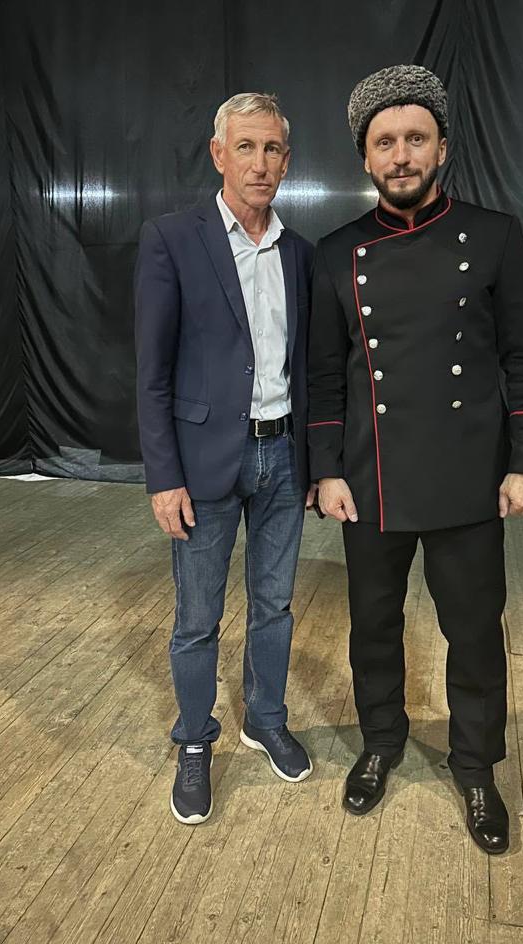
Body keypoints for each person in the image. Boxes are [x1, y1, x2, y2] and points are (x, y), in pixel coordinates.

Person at [307, 65, 523, 855]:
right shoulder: (337, 253)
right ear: (366, 157)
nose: (401, 154)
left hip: (468, 475)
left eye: (415, 138)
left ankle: (476, 765)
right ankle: (382, 740)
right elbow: (324, 374)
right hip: (370, 478)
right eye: (385, 142)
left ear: (442, 147)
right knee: (373, 627)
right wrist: (326, 469)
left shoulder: (494, 234)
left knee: (473, 631)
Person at [135, 93, 315, 825]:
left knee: (274, 605)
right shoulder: (172, 239)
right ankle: (194, 738)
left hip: (283, 458)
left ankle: (264, 720)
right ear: (218, 154)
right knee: (197, 617)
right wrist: (163, 478)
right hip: (205, 463)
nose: (259, 163)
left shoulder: (299, 253)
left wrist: (314, 461)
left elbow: (307, 367)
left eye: (272, 149)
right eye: (245, 147)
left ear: (287, 161)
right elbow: (151, 373)